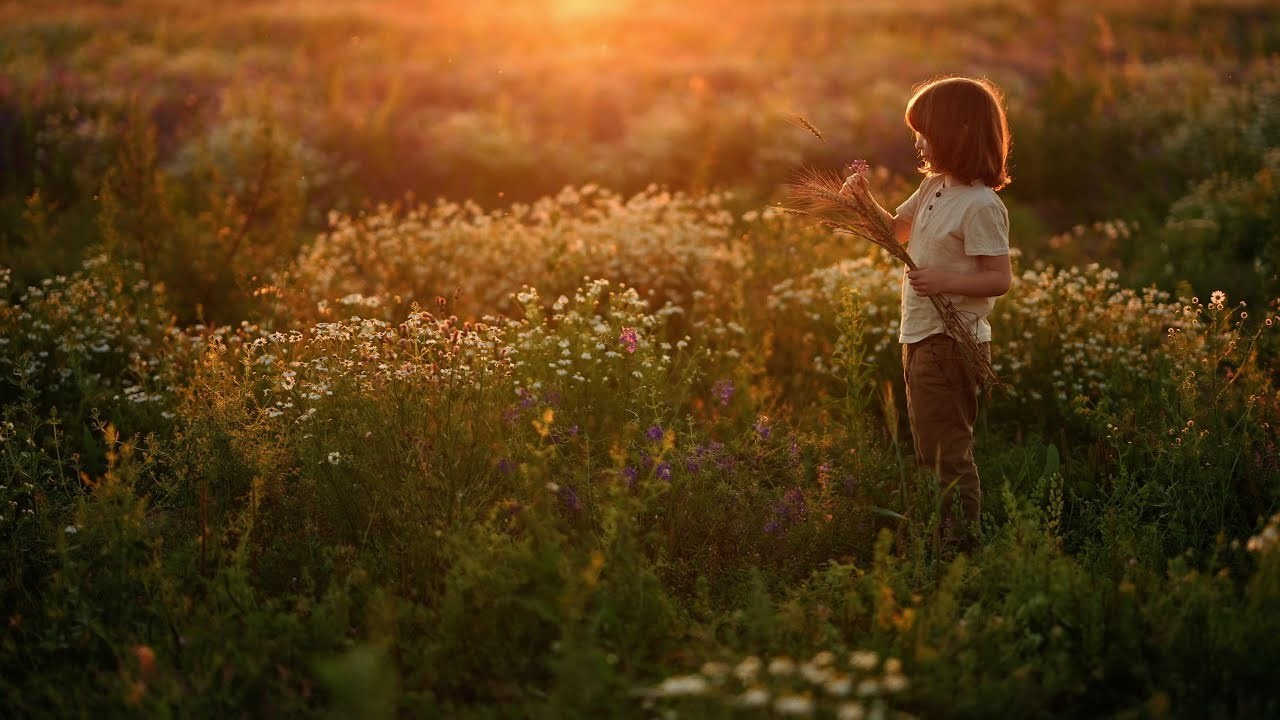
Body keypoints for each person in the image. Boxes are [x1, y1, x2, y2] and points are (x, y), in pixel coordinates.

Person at [841, 76, 1013, 552]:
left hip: (952, 343)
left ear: (957, 132)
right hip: (919, 335)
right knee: (928, 450)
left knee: (947, 455)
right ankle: (941, 541)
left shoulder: (981, 205)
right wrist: (862, 200)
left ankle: (960, 550)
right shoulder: (934, 187)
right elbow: (895, 232)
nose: (917, 142)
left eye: (924, 132)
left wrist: (944, 280)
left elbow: (998, 278)